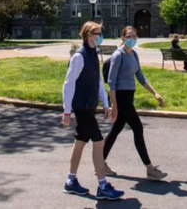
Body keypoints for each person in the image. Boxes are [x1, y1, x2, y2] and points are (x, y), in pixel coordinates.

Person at [62, 21, 124, 200]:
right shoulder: (79, 56)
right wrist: (67, 111)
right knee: (98, 142)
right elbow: (68, 84)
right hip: (81, 107)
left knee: (81, 141)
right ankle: (103, 185)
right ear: (89, 35)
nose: (100, 36)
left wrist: (105, 104)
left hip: (89, 106)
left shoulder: (93, 54)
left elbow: (97, 81)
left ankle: (70, 181)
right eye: (97, 33)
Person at [104, 26, 168, 181]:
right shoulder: (118, 55)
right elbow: (111, 81)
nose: (132, 39)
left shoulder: (134, 54)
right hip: (120, 97)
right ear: (123, 38)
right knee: (138, 128)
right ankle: (150, 168)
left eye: (134, 36)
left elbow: (140, 76)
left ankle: (99, 162)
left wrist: (155, 93)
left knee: (116, 130)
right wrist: (114, 105)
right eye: (129, 36)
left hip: (129, 96)